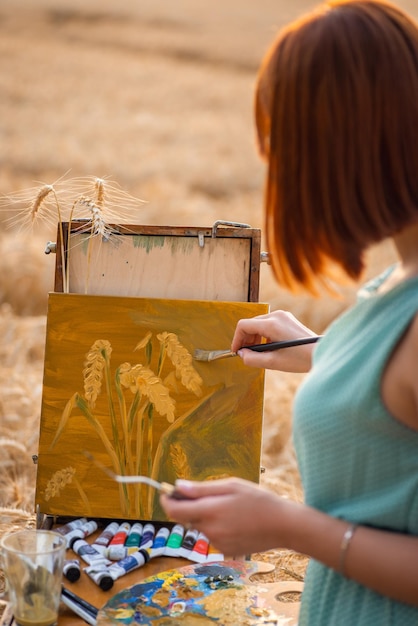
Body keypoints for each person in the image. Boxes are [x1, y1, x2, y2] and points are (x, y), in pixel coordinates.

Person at [160, 0, 418, 623]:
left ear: (340, 147)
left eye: (282, 142)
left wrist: (288, 526)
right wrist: (329, 355)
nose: (274, 162)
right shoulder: (400, 279)